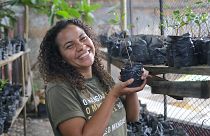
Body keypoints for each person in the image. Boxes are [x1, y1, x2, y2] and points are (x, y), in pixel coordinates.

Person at [38, 19, 149, 136]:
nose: (81, 46)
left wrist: (131, 85)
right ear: (59, 57)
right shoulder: (59, 89)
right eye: (70, 46)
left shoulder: (102, 77)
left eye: (83, 38)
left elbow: (132, 117)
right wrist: (113, 95)